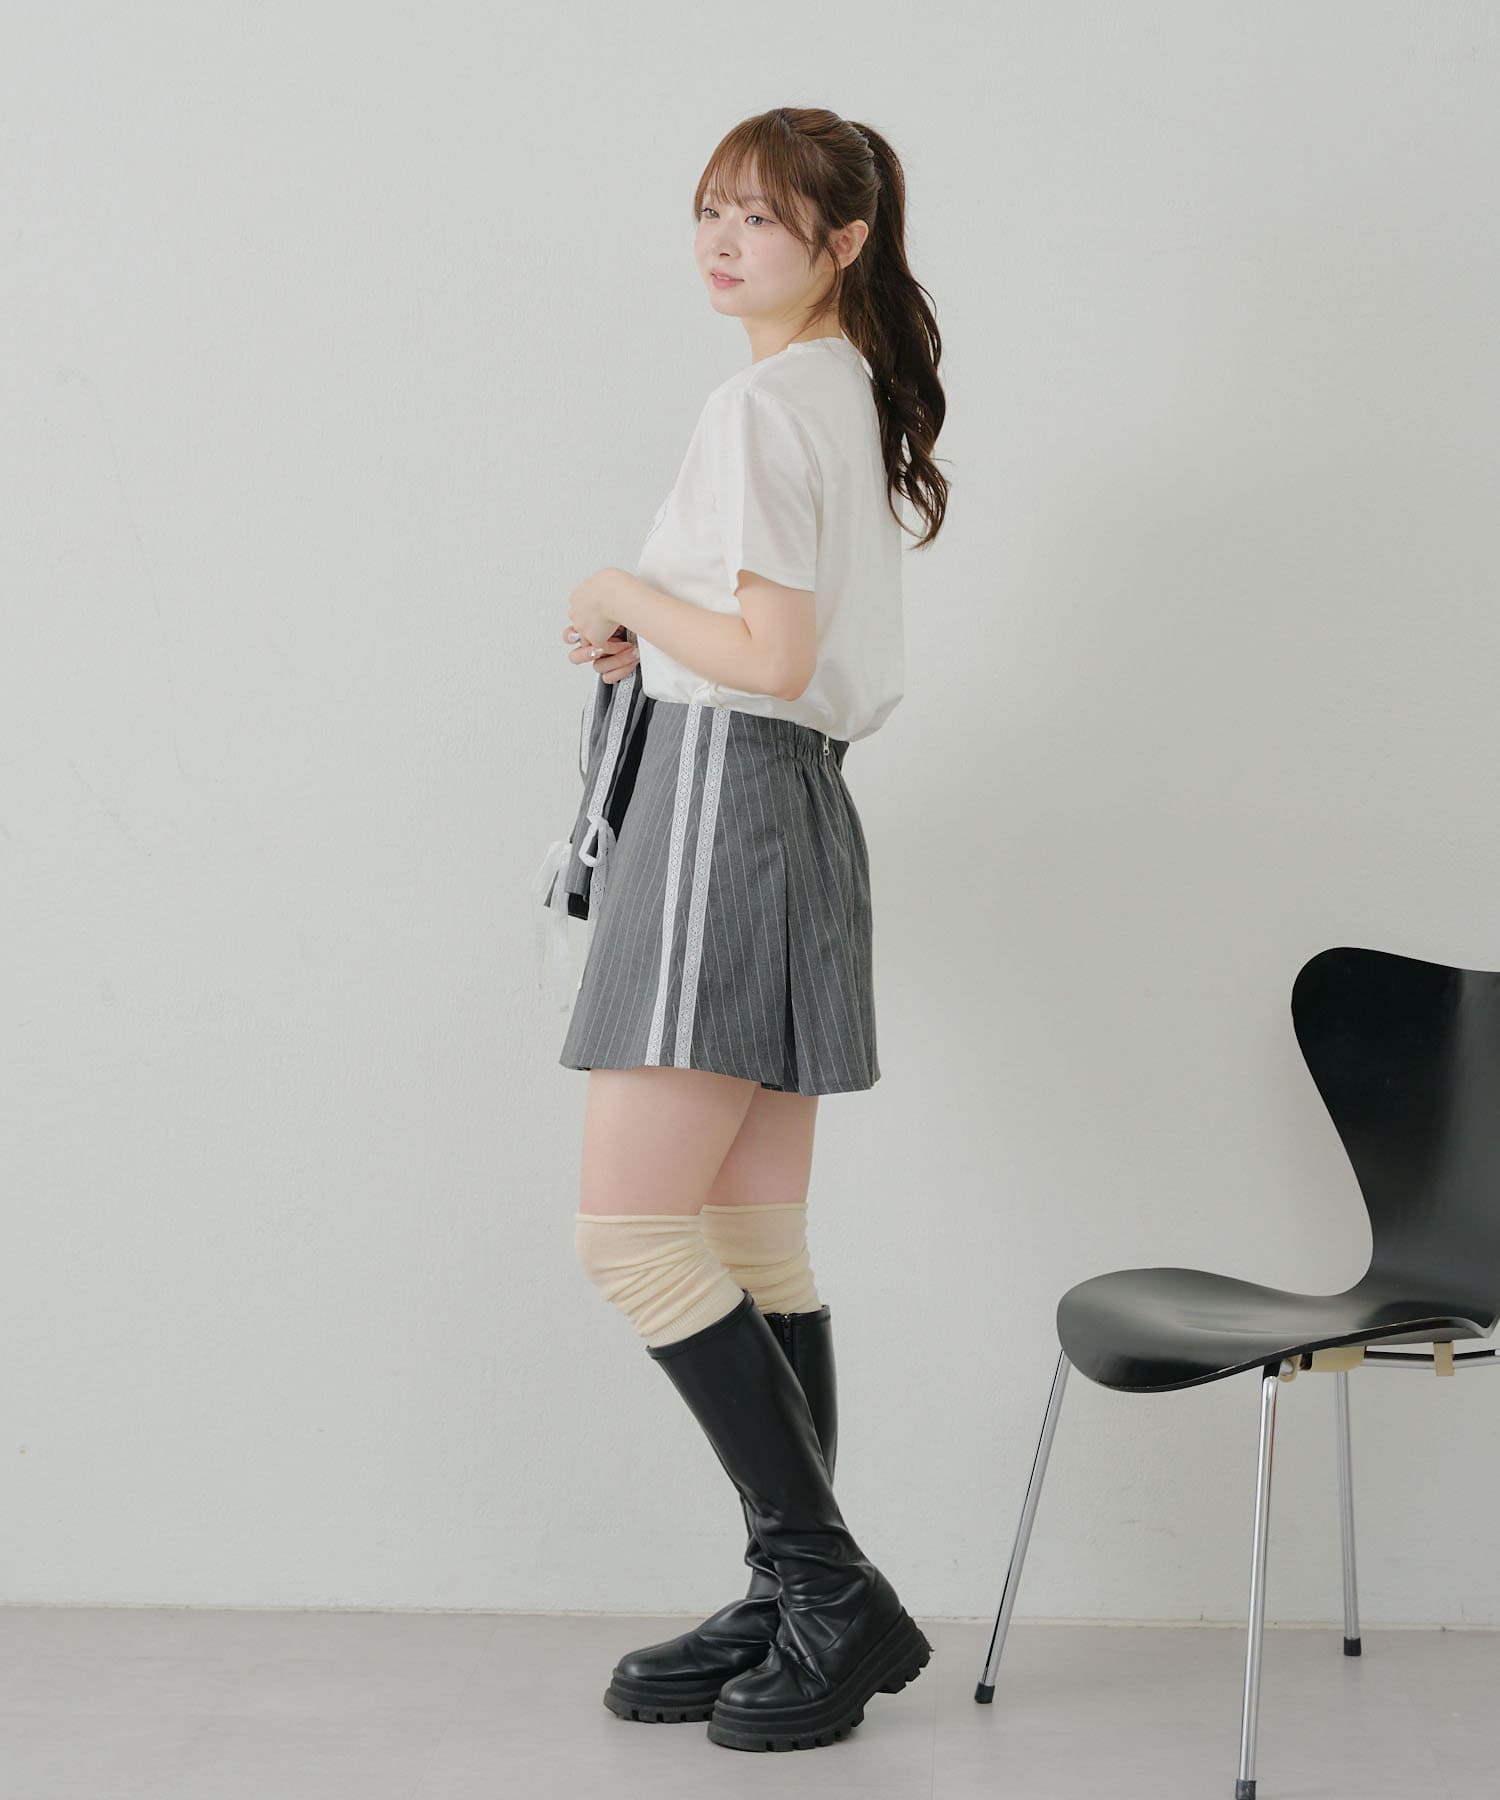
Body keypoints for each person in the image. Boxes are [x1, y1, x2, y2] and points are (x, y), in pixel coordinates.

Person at [542, 105, 949, 1752]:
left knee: (631, 1235)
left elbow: (770, 657)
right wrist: (663, 640)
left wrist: (621, 595)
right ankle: (796, 1597)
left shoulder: (765, 404)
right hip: (792, 805)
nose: (722, 241)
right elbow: (788, 653)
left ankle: (829, 1587)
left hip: (726, 804)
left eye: (761, 218)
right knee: (754, 1237)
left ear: (841, 243)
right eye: (710, 209)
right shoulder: (839, 391)